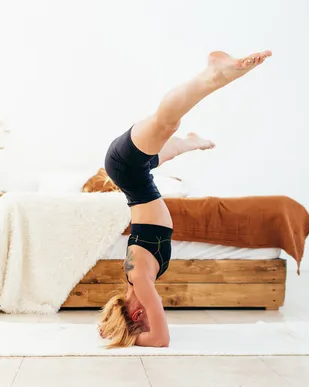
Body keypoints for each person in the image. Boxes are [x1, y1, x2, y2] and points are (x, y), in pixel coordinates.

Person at [98, 49, 272, 348]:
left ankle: (212, 75)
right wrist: (116, 329)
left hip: (124, 168)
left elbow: (161, 339)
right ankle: (190, 143)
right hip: (133, 173)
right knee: (158, 153)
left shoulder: (139, 278)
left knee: (166, 124)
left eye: (145, 321)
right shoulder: (140, 280)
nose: (154, 317)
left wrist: (127, 337)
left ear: (137, 313)